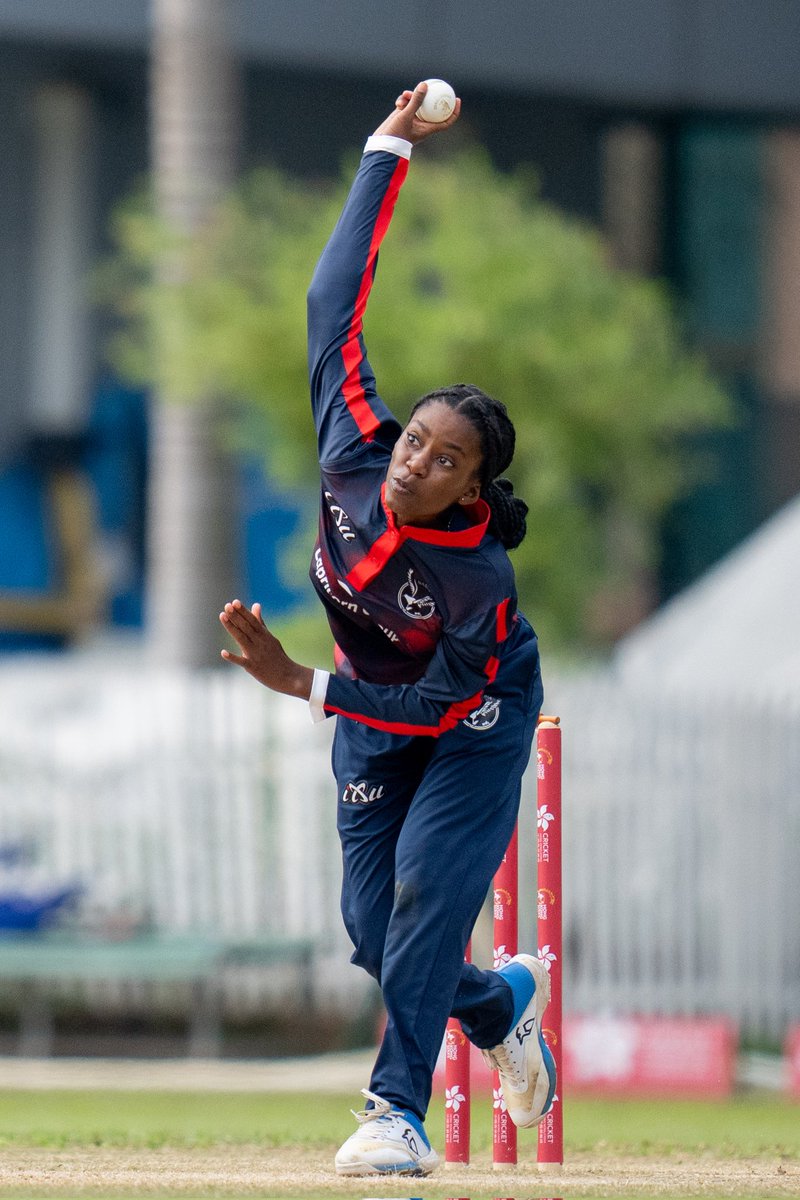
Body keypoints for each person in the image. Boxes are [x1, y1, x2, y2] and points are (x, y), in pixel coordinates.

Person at [220, 81, 556, 1177]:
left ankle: (394, 1114)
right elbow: (335, 300)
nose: (414, 462)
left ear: (472, 485)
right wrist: (386, 147)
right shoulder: (351, 449)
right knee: (374, 933)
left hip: (472, 715)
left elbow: (433, 703)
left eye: (443, 458)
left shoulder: (475, 583)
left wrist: (300, 684)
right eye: (415, 439)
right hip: (373, 711)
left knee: (422, 894)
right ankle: (498, 1002)